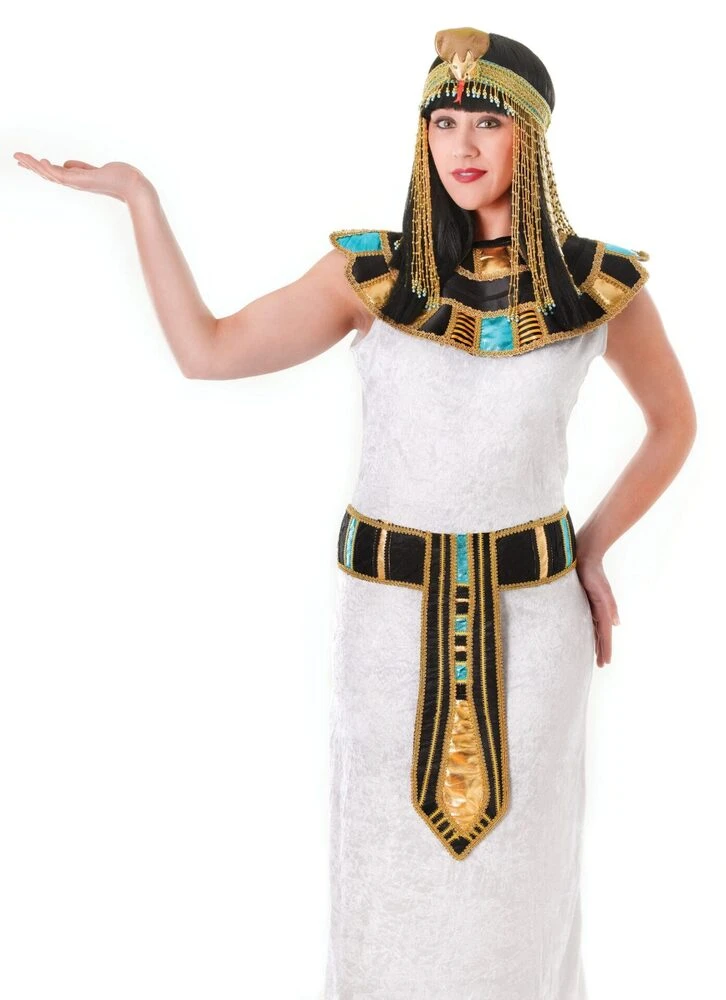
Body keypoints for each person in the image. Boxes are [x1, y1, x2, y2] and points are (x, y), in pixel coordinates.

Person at [14, 24, 696, 1000]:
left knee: (521, 887)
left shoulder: (595, 288)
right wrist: (140, 200)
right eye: (443, 122)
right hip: (387, 627)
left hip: (533, 627)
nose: (462, 145)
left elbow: (674, 425)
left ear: (531, 138)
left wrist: (592, 549)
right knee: (385, 885)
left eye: (487, 124)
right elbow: (208, 351)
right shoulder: (371, 279)